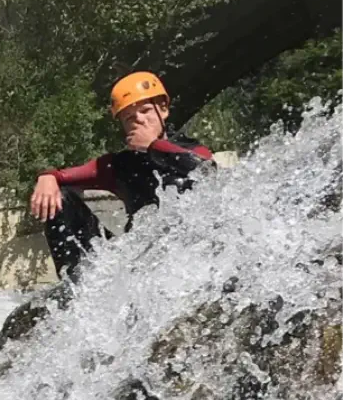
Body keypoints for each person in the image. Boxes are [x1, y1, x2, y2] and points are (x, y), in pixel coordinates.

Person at [29, 71, 215, 276]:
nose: (139, 121)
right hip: (139, 257)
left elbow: (205, 170)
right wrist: (47, 177)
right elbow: (62, 176)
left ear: (163, 110)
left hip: (190, 252)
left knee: (177, 182)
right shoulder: (119, 164)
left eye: (145, 111)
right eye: (129, 118)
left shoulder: (191, 148)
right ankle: (74, 284)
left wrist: (154, 146)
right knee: (61, 198)